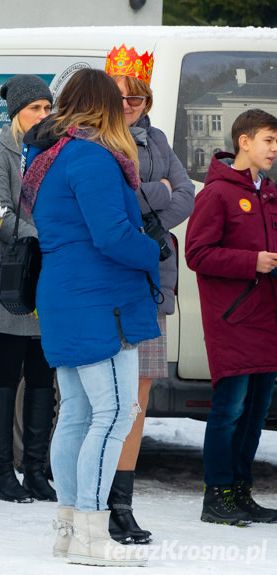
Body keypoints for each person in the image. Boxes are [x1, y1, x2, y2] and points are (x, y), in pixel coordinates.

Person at [23, 68, 158, 566]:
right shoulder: (95, 157)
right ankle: (93, 537)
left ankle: (68, 530)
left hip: (65, 294)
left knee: (78, 414)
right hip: (102, 299)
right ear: (103, 106)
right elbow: (113, 236)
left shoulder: (50, 156)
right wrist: (155, 250)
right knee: (115, 413)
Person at [107, 44, 195, 543]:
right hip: (106, 285)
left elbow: (186, 194)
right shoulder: (92, 140)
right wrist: (154, 193)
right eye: (120, 94)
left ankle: (123, 502)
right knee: (103, 401)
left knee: (137, 400)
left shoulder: (158, 140)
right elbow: (113, 203)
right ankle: (94, 501)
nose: (128, 104)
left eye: (136, 97)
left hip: (152, 287)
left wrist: (147, 207)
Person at [185, 108, 277, 526]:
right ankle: (216, 493)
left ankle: (240, 491)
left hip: (267, 320)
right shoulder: (216, 193)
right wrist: (251, 262)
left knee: (256, 412)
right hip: (233, 319)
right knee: (230, 410)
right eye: (268, 141)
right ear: (244, 142)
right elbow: (197, 254)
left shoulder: (270, 193)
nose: (274, 149)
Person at [0, 74, 57, 505]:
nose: (44, 116)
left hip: (47, 279)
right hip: (9, 278)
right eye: (36, 109)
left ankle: (37, 471)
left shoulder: (55, 151)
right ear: (16, 114)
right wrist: (47, 235)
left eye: (48, 108)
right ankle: (2, 473)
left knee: (43, 378)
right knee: (5, 376)